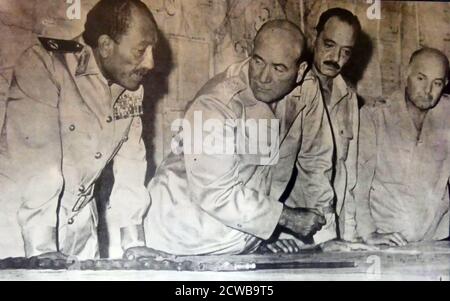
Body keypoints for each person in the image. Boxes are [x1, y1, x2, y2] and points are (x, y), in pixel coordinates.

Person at [140, 20, 333, 256]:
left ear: (300, 71)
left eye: (278, 68)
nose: (263, 77)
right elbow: (216, 192)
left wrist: (327, 238)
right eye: (258, 61)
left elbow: (315, 161)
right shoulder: (215, 103)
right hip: (182, 236)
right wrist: (285, 218)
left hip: (241, 238)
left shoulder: (307, 90)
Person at [0, 0, 157, 260]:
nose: (150, 63)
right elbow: (37, 165)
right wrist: (42, 251)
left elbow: (131, 167)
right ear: (106, 46)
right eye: (141, 51)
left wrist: (133, 244)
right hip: (19, 233)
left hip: (79, 235)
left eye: (153, 50)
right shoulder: (46, 65)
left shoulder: (131, 89)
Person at [355, 47, 450, 246]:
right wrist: (367, 233)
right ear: (406, 74)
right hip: (385, 238)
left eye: (437, 83)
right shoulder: (375, 115)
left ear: (446, 84)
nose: (428, 90)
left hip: (435, 240)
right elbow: (359, 184)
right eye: (421, 78)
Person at [310, 8, 361, 242]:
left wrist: (349, 234)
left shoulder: (349, 97)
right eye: (329, 45)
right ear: (315, 37)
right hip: (289, 233)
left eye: (346, 52)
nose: (335, 57)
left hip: (331, 230)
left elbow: (349, 172)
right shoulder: (288, 89)